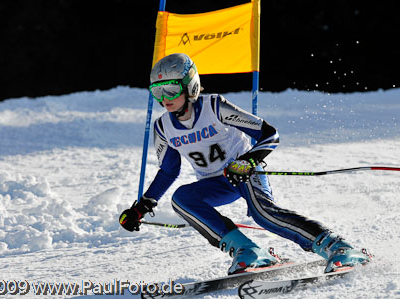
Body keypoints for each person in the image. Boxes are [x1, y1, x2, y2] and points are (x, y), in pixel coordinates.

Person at [119, 53, 372, 275]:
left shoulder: (214, 106)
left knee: (264, 214)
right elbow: (168, 171)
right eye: (157, 91)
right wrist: (142, 207)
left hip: (245, 172)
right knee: (182, 199)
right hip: (215, 184)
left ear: (190, 86)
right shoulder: (163, 127)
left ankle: (337, 246)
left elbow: (269, 134)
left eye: (171, 89)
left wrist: (247, 161)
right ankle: (249, 252)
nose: (165, 98)